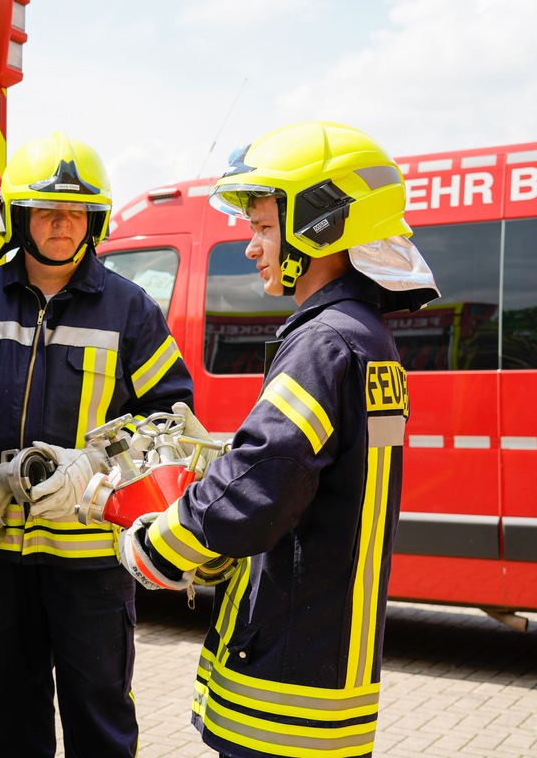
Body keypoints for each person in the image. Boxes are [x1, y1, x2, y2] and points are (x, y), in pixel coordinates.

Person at [117, 121, 440, 758]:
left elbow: (261, 484)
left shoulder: (323, 342)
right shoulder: (367, 338)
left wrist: (150, 548)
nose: (251, 247)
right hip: (332, 668)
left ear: (319, 226)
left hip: (284, 688)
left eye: (263, 227)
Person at [0, 133, 195, 758]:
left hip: (91, 561)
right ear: (17, 216)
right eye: (46, 210)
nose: (62, 224)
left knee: (99, 715)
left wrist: (92, 468)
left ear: (96, 220)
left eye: (77, 212)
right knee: (8, 714)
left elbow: (169, 421)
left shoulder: (130, 311)